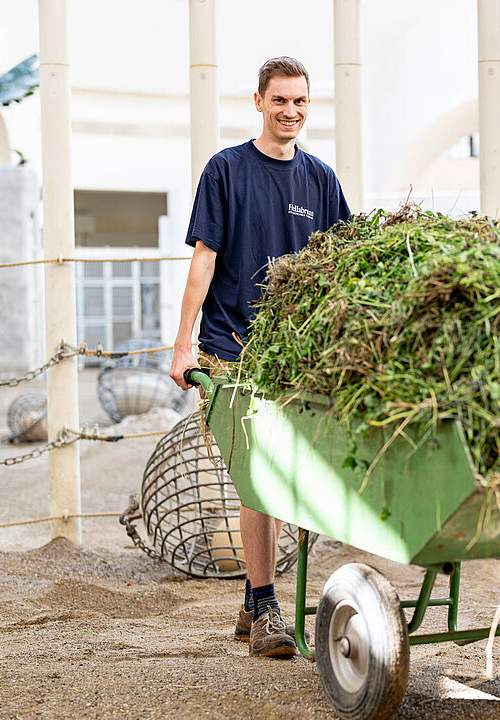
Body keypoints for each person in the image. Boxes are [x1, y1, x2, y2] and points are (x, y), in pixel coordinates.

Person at [169, 56, 350, 658]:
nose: (291, 112)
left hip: (293, 354)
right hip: (231, 349)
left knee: (284, 480)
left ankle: (254, 598)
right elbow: (204, 261)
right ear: (257, 102)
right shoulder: (226, 170)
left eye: (300, 102)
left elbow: (341, 270)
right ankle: (270, 607)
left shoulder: (321, 180)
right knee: (260, 480)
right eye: (280, 101)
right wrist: (182, 343)